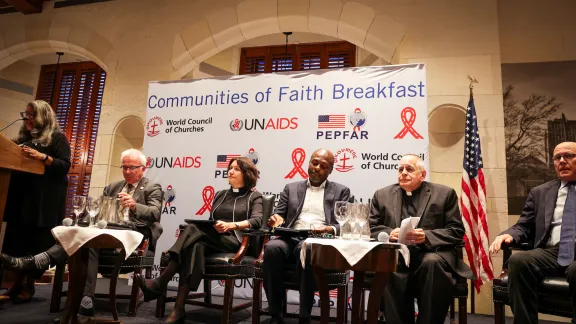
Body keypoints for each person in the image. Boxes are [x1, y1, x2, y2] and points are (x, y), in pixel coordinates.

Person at [1, 148, 163, 316]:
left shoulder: (152, 187)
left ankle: (41, 260)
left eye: (132, 167)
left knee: (91, 238)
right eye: (124, 167)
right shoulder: (113, 187)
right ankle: (86, 299)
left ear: (143, 168)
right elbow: (98, 210)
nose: (127, 171)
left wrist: (135, 205)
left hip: (133, 234)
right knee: (89, 238)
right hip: (108, 231)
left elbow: (155, 213)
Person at [135, 156, 263, 324]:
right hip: (214, 240)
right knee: (195, 246)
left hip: (238, 241)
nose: (230, 171)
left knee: (193, 232)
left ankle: (161, 282)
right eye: (230, 167)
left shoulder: (255, 197)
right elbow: (210, 220)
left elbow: (257, 221)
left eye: (236, 169)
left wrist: (231, 226)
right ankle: (178, 310)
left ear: (247, 174)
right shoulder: (220, 195)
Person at [369, 154, 473, 324]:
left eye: (409, 169)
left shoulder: (444, 194)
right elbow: (371, 228)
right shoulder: (382, 195)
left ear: (422, 175)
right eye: (400, 169)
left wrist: (427, 236)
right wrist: (389, 234)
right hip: (399, 254)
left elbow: (455, 231)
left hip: (432, 254)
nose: (403, 173)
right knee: (390, 262)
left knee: (431, 263)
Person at [489, 142, 576, 324]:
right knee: (518, 260)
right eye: (557, 158)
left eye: (568, 156)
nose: (562, 161)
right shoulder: (540, 192)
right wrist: (509, 234)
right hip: (552, 252)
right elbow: (524, 225)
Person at [263, 148, 351, 324]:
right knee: (272, 248)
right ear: (309, 162)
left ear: (330, 170)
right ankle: (275, 313)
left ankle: (304, 316)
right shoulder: (291, 187)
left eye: (323, 166)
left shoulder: (342, 191)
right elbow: (278, 216)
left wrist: (328, 229)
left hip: (317, 240)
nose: (317, 167)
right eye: (314, 162)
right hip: (290, 236)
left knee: (307, 249)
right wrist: (275, 220)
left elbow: (344, 224)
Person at [1, 100, 71, 303]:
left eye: (31, 115)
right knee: (18, 241)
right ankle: (15, 282)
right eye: (26, 114)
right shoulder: (22, 138)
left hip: (43, 202)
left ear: (43, 116)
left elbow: (65, 165)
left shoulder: (57, 138)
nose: (27, 118)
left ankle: (29, 286)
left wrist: (43, 157)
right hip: (21, 198)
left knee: (35, 243)